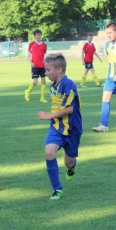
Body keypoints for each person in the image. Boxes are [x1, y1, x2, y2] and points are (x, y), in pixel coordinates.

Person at [38, 53, 82, 200]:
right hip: (56, 127)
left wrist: (48, 115)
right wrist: (52, 119)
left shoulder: (69, 85)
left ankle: (72, 166)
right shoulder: (53, 87)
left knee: (68, 162)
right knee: (49, 152)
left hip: (72, 130)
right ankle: (57, 189)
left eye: (48, 69)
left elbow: (70, 109)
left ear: (59, 69)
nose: (46, 73)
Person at [24, 29, 47, 103]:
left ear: (41, 35)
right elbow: (28, 55)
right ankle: (27, 92)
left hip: (42, 66)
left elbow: (44, 55)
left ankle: (42, 98)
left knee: (43, 81)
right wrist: (31, 62)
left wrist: (46, 62)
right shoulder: (32, 44)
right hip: (35, 66)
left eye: (39, 34)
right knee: (35, 82)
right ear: (34, 36)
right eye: (36, 35)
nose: (38, 36)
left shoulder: (44, 45)